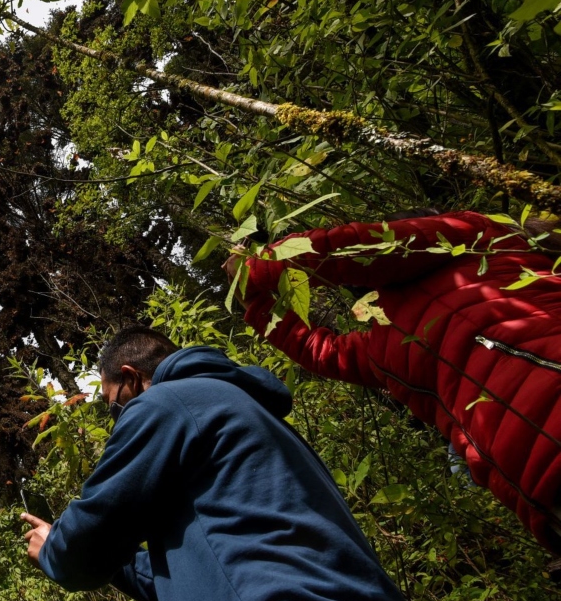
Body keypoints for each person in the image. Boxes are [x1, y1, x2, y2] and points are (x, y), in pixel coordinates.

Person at [20, 326, 442, 601]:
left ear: (131, 377)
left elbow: (88, 542)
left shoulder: (165, 404)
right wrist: (105, 559)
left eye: (115, 407)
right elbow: (196, 571)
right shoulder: (246, 409)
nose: (118, 420)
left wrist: (56, 547)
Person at [232, 210, 561, 551]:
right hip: (537, 491)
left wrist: (255, 267)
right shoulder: (386, 343)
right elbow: (319, 351)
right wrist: (254, 300)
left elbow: (355, 247)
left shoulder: (474, 242)